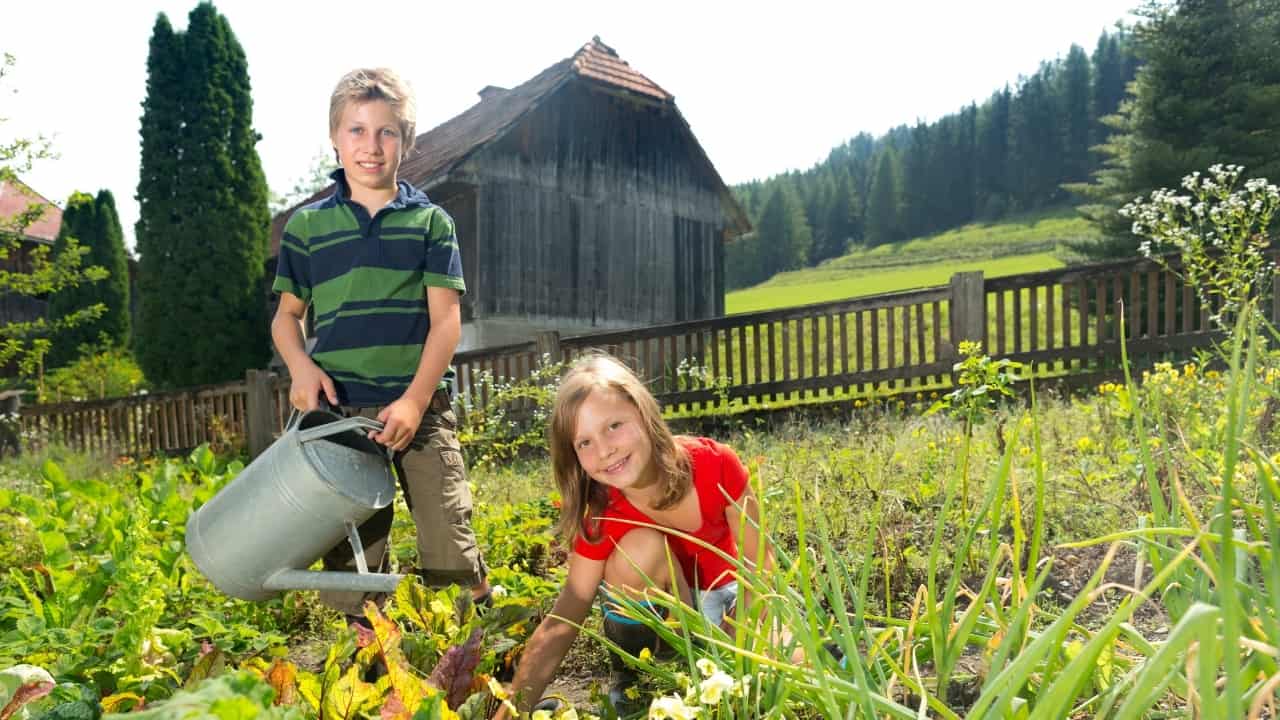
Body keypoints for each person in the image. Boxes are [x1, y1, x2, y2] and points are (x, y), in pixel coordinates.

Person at [270, 67, 490, 623]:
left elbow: (446, 323)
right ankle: (364, 661)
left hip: (420, 410)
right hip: (342, 417)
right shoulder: (307, 228)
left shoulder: (431, 224)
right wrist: (300, 367)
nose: (371, 146)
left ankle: (479, 635)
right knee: (352, 562)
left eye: (386, 132)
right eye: (357, 131)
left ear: (407, 141)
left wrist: (415, 401)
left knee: (448, 538)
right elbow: (286, 318)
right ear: (335, 139)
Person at [494, 354, 778, 717]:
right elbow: (564, 617)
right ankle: (641, 680)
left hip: (733, 605)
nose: (605, 449)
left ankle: (709, 675)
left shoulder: (716, 463)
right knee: (640, 549)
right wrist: (512, 709)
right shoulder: (601, 514)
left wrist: (732, 647)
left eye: (614, 425)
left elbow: (762, 566)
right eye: (584, 442)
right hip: (665, 629)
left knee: (794, 658)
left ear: (643, 411)